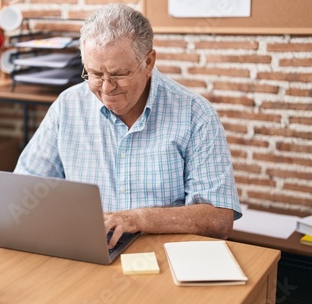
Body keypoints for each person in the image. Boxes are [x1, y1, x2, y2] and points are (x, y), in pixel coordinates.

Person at [14, 3, 242, 249]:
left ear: (149, 62)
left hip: (165, 258)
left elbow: (219, 219)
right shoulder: (68, 106)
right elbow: (24, 193)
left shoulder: (195, 114)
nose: (107, 88)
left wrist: (138, 219)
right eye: (95, 74)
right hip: (90, 251)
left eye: (119, 74)